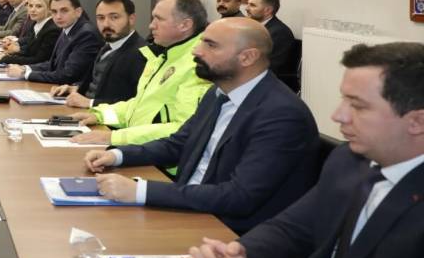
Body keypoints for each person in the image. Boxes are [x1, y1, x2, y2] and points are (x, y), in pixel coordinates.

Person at [183, 42, 424, 258]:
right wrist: (235, 253)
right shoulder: (348, 159)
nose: (338, 116)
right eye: (344, 100)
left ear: (417, 122)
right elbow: (293, 230)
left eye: (358, 106)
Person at [83, 17, 318, 234]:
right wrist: (117, 155)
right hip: (191, 208)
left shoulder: (281, 115)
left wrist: (140, 191)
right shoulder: (218, 93)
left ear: (247, 57)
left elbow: (239, 196)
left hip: (228, 232)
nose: (196, 50)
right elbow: (179, 143)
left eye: (211, 45)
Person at [69, 0, 211, 146]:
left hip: (161, 157)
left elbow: (184, 128)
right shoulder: (164, 56)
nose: (151, 25)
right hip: (142, 146)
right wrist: (100, 115)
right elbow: (139, 107)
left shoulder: (198, 65)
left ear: (185, 25)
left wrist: (114, 137)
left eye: (159, 19)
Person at [51, 0, 147, 107]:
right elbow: (100, 84)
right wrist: (75, 88)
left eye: (114, 17)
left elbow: (137, 102)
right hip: (83, 109)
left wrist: (90, 103)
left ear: (131, 19)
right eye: (101, 18)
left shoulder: (141, 53)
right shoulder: (108, 46)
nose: (106, 24)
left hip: (100, 116)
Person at [5, 0, 102, 85]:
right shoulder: (67, 27)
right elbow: (53, 64)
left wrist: (26, 74)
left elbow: (68, 75)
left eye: (64, 11)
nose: (58, 16)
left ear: (78, 12)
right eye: (54, 12)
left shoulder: (86, 34)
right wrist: (25, 68)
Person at [0, 0, 59, 66]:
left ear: (50, 9)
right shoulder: (35, 24)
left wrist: (7, 59)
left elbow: (39, 60)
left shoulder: (52, 30)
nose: (33, 10)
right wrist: (9, 55)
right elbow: (29, 50)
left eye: (39, 6)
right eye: (30, 6)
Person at [246, 0, 296, 75]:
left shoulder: (280, 33)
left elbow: (271, 66)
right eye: (248, 4)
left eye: (252, 5)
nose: (246, 8)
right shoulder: (253, 27)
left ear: (268, 10)